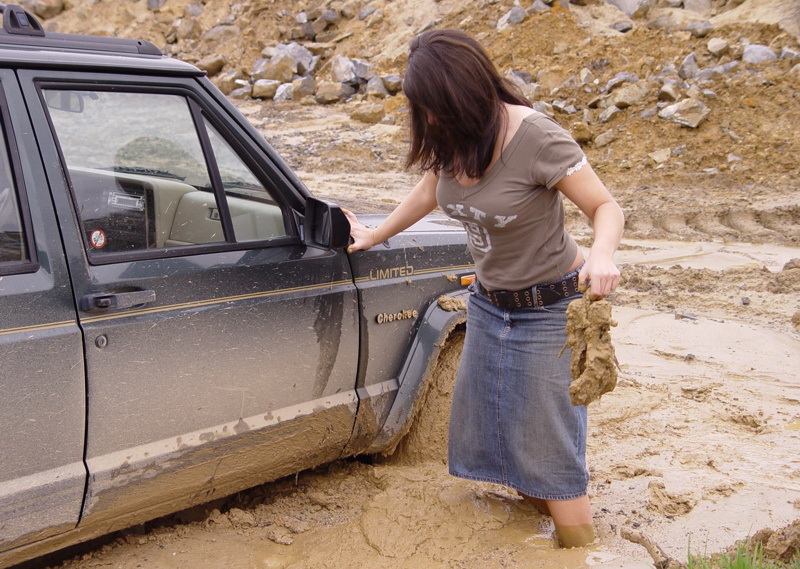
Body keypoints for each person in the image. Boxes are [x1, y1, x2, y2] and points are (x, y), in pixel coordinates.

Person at [344, 29, 624, 549]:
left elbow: (606, 207)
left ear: (466, 94)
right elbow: (430, 189)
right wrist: (376, 233)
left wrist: (603, 254)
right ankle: (540, 524)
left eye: (434, 108)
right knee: (505, 434)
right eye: (423, 110)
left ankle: (579, 550)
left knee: (550, 447)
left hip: (549, 311)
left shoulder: (537, 138)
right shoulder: (454, 136)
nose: (428, 121)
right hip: (490, 306)